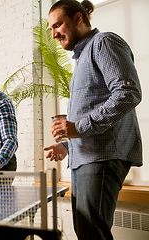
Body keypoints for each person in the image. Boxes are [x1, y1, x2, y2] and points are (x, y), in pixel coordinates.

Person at [44, 1, 142, 239]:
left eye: (58, 24)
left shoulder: (104, 42)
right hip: (88, 157)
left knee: (91, 233)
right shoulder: (81, 57)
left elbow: (128, 94)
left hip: (103, 157)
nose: (54, 33)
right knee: (87, 231)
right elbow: (94, 107)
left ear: (78, 19)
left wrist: (78, 127)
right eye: (51, 28)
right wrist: (67, 145)